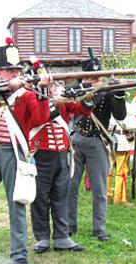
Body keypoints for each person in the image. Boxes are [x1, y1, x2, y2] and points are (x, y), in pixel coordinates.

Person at [0, 39, 49, 264]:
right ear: (0, 72)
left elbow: (39, 120)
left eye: (17, 70)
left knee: (17, 206)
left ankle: (19, 256)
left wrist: (43, 91)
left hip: (15, 153)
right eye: (9, 70)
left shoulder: (27, 94)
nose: (14, 74)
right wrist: (0, 87)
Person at [28, 72, 91, 253]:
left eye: (55, 84)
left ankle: (62, 236)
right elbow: (38, 118)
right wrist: (51, 99)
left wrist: (87, 93)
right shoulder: (33, 99)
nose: (54, 87)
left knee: (61, 196)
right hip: (40, 154)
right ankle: (42, 238)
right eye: (50, 84)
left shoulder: (61, 100)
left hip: (62, 152)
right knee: (40, 197)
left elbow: (83, 110)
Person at [68, 53, 127, 241]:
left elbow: (121, 115)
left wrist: (119, 93)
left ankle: (99, 228)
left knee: (100, 189)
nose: (96, 81)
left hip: (97, 141)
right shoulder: (75, 90)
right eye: (92, 78)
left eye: (98, 78)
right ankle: (69, 226)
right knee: (71, 187)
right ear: (84, 78)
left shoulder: (108, 92)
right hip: (75, 141)